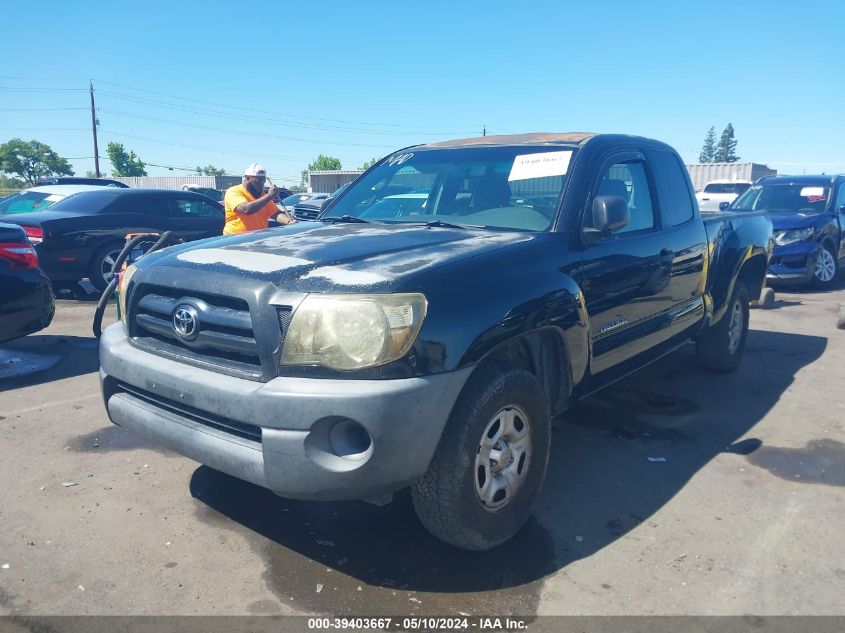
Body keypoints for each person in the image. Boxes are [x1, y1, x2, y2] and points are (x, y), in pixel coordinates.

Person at [223, 163, 296, 235]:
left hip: (257, 239)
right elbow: (246, 209)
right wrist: (269, 196)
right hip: (235, 240)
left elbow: (276, 214)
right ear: (248, 178)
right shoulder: (234, 191)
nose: (261, 185)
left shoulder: (262, 196)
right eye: (258, 182)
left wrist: (289, 221)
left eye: (263, 182)